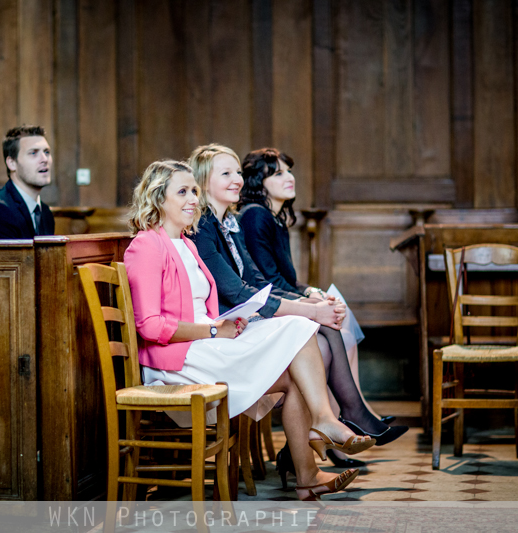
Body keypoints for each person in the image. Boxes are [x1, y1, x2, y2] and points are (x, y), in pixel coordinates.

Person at [124, 159, 374, 501]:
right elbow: (150, 326)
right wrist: (214, 331)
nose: (193, 199)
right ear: (157, 198)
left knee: (297, 350)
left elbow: (201, 308)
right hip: (177, 359)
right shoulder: (146, 245)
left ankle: (310, 471)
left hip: (205, 343)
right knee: (298, 329)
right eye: (182, 192)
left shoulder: (186, 243)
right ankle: (324, 424)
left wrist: (232, 321)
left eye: (194, 191)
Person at [187, 144, 408, 480]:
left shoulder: (229, 222)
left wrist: (310, 304)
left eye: (238, 172)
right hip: (228, 327)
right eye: (226, 173)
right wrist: (309, 310)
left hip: (245, 316)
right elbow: (237, 292)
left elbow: (257, 282)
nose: (237, 180)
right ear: (203, 181)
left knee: (323, 333)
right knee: (316, 334)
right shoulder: (205, 225)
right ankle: (334, 423)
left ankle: (322, 433)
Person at [0, 125, 55, 238]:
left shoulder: (45, 213)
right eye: (33, 153)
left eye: (46, 152)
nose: (45, 159)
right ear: (11, 163)